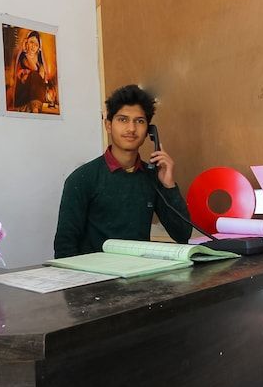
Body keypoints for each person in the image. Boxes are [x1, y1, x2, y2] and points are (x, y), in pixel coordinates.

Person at [54, 84, 192, 258]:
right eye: (123, 120)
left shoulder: (152, 177)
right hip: (94, 272)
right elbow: (64, 247)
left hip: (139, 270)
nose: (131, 129)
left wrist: (168, 186)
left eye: (139, 121)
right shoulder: (82, 178)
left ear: (149, 131)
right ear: (108, 125)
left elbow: (182, 234)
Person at [11, 31, 48, 113]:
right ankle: (33, 108)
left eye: (36, 45)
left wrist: (27, 72)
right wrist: (25, 52)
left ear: (39, 48)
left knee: (35, 76)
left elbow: (41, 77)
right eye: (31, 42)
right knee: (34, 74)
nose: (33, 46)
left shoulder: (40, 61)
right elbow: (34, 68)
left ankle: (36, 107)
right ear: (26, 42)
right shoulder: (24, 56)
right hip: (24, 94)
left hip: (36, 93)